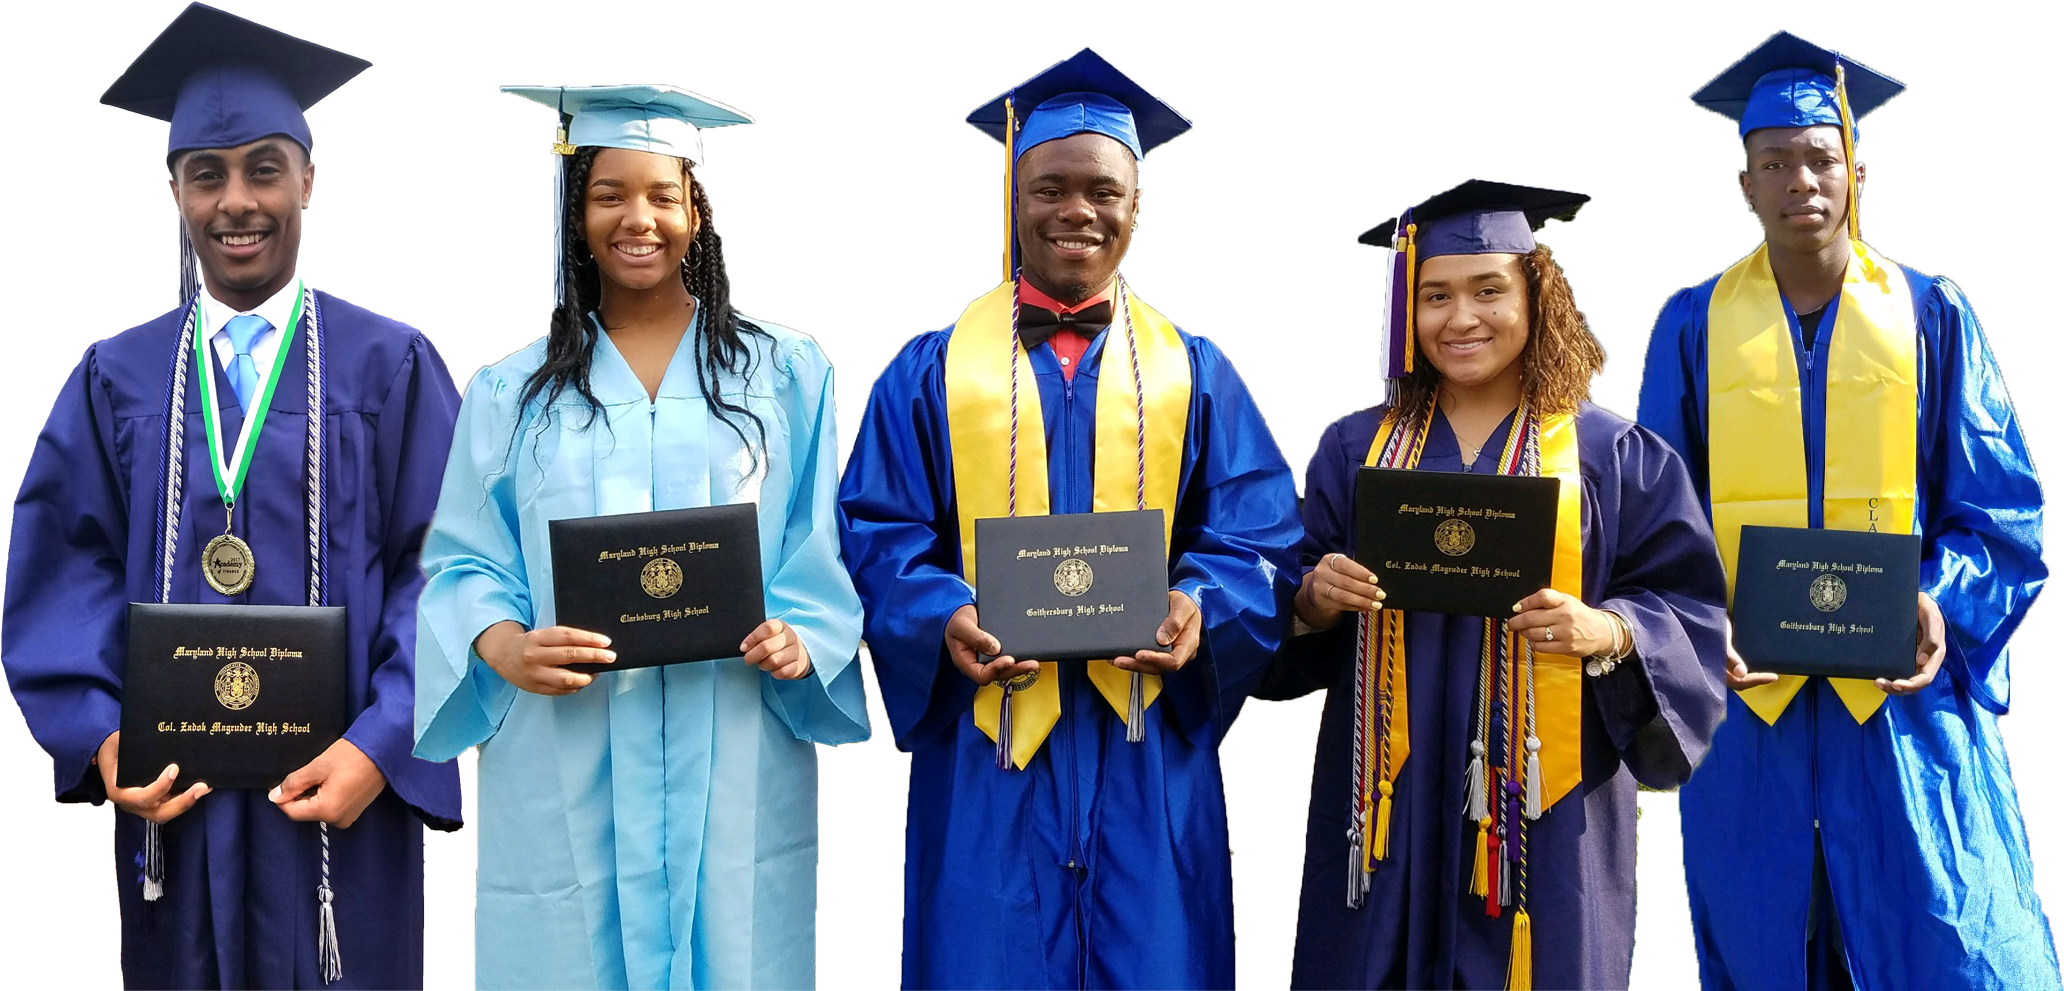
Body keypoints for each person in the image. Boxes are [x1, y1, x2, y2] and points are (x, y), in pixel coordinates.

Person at [1, 4, 461, 987]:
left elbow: (452, 569)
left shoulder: (393, 366)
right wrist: (102, 735)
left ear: (308, 179)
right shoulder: (114, 378)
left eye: (263, 168)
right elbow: (60, 568)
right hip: (177, 808)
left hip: (341, 813)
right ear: (174, 189)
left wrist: (382, 746)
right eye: (206, 174)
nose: (235, 201)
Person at [836, 47, 1301, 991]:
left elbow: (1260, 535)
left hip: (1144, 743)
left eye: (1103, 190)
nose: (1076, 211)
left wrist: (1199, 604)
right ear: (1015, 195)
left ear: (1138, 206)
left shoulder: (1195, 369)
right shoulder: (929, 370)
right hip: (992, 740)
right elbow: (876, 531)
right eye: (1050, 187)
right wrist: (941, 616)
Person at [413, 83, 868, 991]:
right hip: (565, 735)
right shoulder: (512, 390)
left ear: (698, 212)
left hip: (734, 729)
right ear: (575, 211)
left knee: (738, 944)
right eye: (609, 194)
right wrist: (502, 643)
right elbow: (465, 555)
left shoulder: (785, 372)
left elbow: (823, 544)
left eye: (664, 195)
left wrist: (802, 633)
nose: (639, 219)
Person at [1640, 30, 2058, 991]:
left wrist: (1938, 603)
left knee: (1955, 944)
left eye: (1820, 157)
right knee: (1765, 947)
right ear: (1743, 184)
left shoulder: (1933, 313)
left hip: (1904, 710)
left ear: (1858, 172)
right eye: (1773, 161)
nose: (1801, 181)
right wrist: (1701, 632)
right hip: (1752, 708)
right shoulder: (1693, 323)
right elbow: (1659, 524)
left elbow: (2000, 513)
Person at [1274, 180, 1729, 990]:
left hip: (1545, 814)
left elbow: (1690, 607)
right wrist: (1311, 599)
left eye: (1490, 290)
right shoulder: (1355, 448)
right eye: (1435, 296)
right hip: (1386, 808)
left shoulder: (1611, 454)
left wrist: (1611, 630)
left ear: (1537, 295)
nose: (1462, 318)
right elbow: (1282, 591)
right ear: (1404, 315)